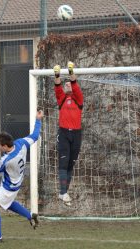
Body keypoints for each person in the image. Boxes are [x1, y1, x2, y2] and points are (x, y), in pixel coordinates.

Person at [0, 110, 43, 243]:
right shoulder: (21, 143)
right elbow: (35, 136)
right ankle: (30, 216)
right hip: (16, 183)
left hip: (8, 187)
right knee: (7, 203)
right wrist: (38, 119)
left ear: (5, 146)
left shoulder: (7, 159)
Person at [53, 61, 83, 206]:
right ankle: (63, 192)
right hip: (64, 133)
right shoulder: (62, 98)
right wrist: (57, 74)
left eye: (68, 84)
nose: (67, 85)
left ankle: (63, 192)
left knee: (71, 165)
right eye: (66, 84)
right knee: (63, 163)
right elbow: (57, 86)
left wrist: (71, 72)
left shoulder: (78, 99)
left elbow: (75, 84)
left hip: (76, 134)